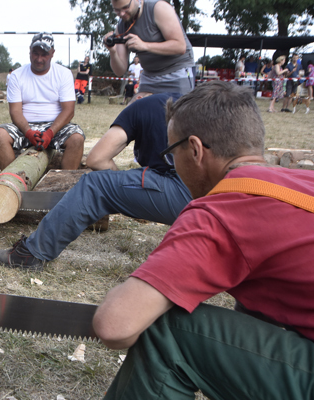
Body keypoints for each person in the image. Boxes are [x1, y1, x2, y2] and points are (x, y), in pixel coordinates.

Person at [94, 80, 314, 400]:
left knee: (166, 331)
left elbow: (115, 325)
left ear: (195, 150)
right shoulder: (303, 182)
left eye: (172, 153)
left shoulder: (224, 208)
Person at [0, 92, 191, 270]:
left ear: (137, 98)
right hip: (217, 195)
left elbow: (97, 159)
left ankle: (31, 254)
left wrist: (120, 185)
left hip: (187, 192)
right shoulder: (192, 100)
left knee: (96, 186)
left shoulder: (142, 105)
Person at [0, 33, 85, 171]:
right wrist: (28, 132)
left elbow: (68, 110)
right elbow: (15, 111)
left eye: (44, 54)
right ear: (29, 50)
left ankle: (66, 183)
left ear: (52, 53)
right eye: (35, 53)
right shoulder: (16, 76)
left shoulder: (63, 74)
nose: (39, 59)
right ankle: (13, 182)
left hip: (55, 127)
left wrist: (50, 133)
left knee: (77, 138)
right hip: (25, 127)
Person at [105, 0, 195, 100]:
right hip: (149, 76)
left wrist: (144, 45)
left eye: (126, 7)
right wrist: (113, 52)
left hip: (177, 72)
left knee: (177, 114)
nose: (122, 13)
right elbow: (120, 70)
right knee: (134, 113)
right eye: (117, 10)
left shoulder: (159, 8)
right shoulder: (122, 26)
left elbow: (180, 46)